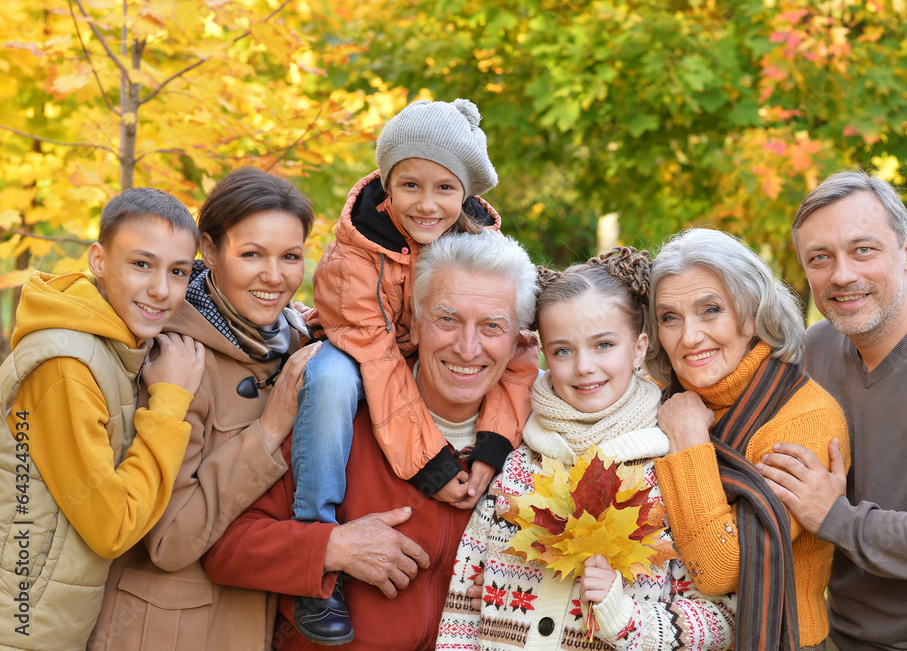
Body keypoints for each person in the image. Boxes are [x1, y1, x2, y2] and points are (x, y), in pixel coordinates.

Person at [203, 229, 540, 650]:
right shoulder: (337, 416)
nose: (467, 347)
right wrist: (331, 547)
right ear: (415, 324)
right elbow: (224, 547)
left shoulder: (540, 443)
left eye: (492, 326)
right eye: (447, 319)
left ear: (517, 342)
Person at [291, 97, 533, 643]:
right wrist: (433, 466)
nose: (427, 204)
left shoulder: (480, 250)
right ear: (385, 182)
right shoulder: (354, 257)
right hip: (358, 352)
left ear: (466, 193)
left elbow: (518, 355)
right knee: (329, 381)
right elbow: (378, 362)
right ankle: (318, 537)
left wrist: (491, 450)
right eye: (410, 186)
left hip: (415, 360)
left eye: (445, 188)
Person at [437, 248, 736, 650]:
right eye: (563, 350)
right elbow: (462, 607)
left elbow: (724, 616)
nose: (583, 367)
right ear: (544, 354)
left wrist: (625, 617)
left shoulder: (668, 469)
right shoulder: (520, 464)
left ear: (639, 347)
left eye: (603, 345)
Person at [757, 169, 907, 650]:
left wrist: (839, 519)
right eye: (820, 258)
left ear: (906, 253)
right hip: (840, 638)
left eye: (863, 250)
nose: (842, 275)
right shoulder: (813, 352)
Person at [88, 167, 322, 650]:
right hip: (163, 631)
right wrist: (270, 429)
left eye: (291, 256)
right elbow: (170, 541)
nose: (274, 276)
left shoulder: (292, 339)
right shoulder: (173, 355)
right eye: (252, 254)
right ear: (210, 252)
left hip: (248, 621)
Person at [0, 188, 205, 650]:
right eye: (141, 264)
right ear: (97, 260)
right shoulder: (66, 366)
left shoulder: (116, 349)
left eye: (178, 272)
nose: (161, 289)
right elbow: (113, 526)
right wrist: (170, 402)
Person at [646, 228, 850, 651]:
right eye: (670, 317)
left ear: (753, 314)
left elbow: (722, 567)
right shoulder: (656, 398)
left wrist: (689, 440)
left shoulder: (805, 417)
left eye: (710, 310)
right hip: (659, 634)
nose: (689, 337)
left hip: (779, 639)